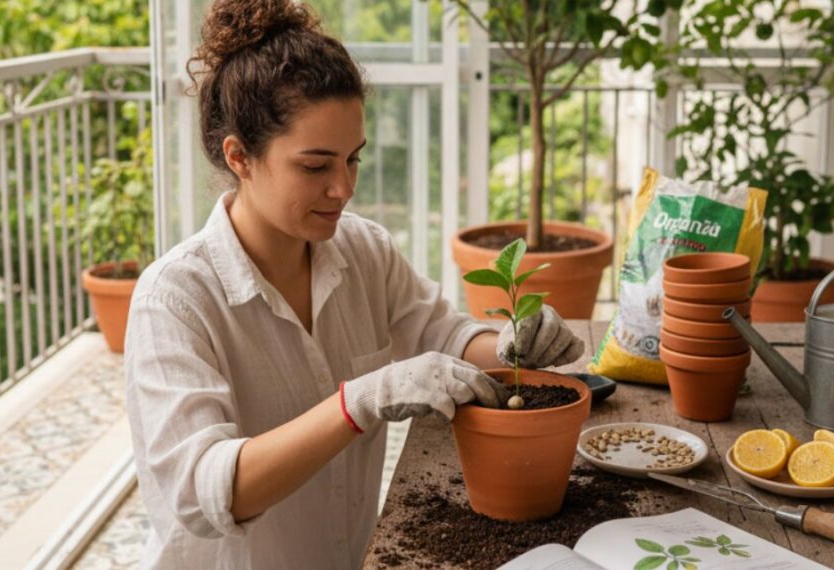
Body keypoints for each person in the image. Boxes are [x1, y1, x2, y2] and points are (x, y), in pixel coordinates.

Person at [123, 0, 585, 567]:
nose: (344, 188)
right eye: (316, 167)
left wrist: (512, 343)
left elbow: (441, 333)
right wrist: (359, 401)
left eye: (354, 159)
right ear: (240, 157)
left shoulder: (361, 250)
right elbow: (203, 491)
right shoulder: (174, 300)